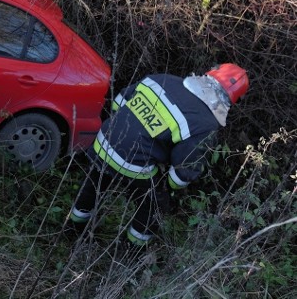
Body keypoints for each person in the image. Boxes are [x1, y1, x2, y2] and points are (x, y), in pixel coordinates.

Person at [68, 63, 250, 247]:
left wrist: (123, 130)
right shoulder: (205, 124)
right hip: (132, 163)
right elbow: (181, 176)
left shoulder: (163, 78)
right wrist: (165, 182)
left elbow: (119, 101)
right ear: (231, 100)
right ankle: (132, 249)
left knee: (94, 182)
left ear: (209, 74)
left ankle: (72, 230)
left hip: (102, 139)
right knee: (154, 202)